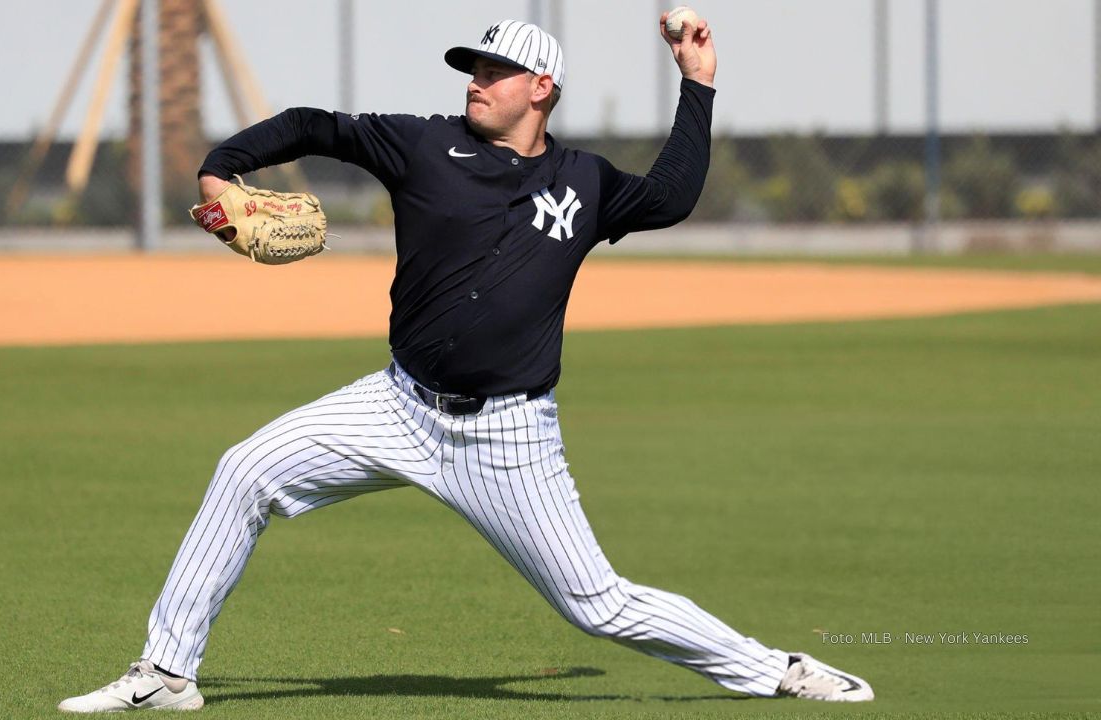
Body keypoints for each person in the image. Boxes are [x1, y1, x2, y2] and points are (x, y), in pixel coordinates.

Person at [58, 14, 873, 713]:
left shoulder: (584, 181)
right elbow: (315, 123)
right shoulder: (420, 144)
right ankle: (167, 672)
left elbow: (670, 196)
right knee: (243, 470)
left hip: (510, 438)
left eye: (496, 69)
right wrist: (220, 169)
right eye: (472, 68)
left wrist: (697, 82)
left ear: (542, 87)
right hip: (396, 405)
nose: (477, 80)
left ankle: (780, 670)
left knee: (600, 606)